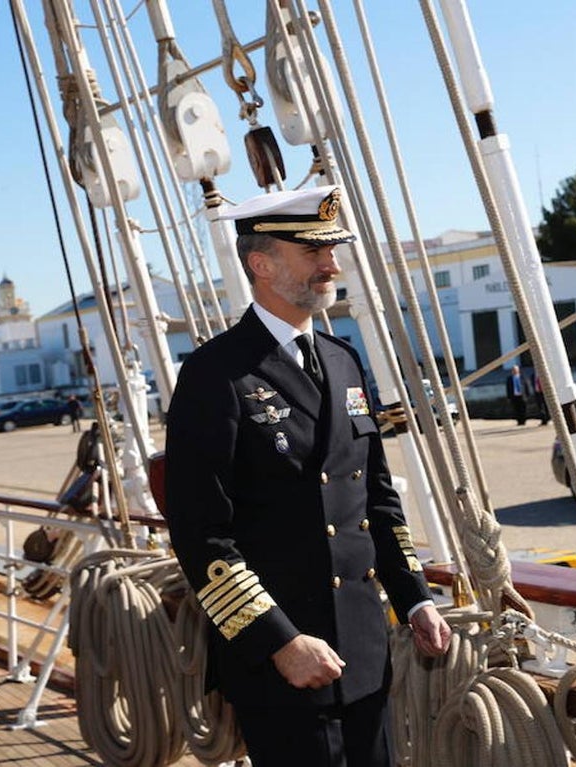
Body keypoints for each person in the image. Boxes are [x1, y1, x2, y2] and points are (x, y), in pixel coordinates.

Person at [163, 185, 451, 767]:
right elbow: (201, 535)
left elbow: (376, 498)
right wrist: (279, 641)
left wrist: (415, 598)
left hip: (364, 649)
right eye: (314, 252)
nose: (332, 265)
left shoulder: (343, 360)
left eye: (332, 251)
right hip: (284, 664)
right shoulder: (215, 374)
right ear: (262, 264)